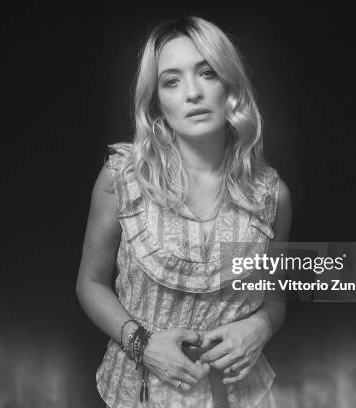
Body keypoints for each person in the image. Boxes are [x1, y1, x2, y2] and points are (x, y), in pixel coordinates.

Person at [76, 16, 292, 408]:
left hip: (240, 397)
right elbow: (90, 284)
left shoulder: (271, 195)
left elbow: (275, 298)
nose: (192, 92)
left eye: (206, 73)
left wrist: (260, 326)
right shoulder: (122, 179)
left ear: (229, 84)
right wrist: (142, 344)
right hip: (139, 394)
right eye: (171, 81)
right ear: (157, 101)